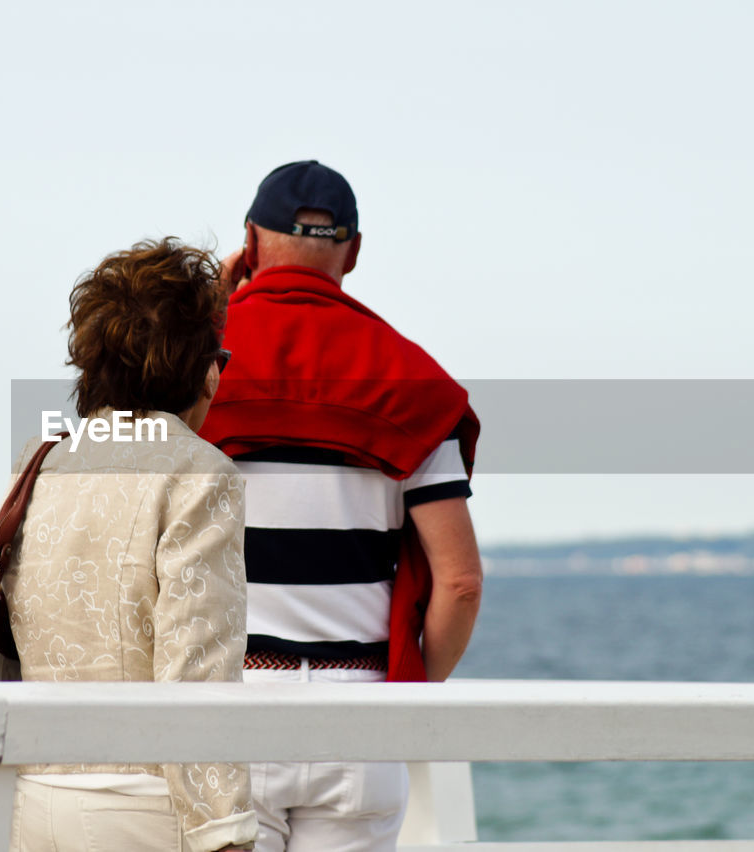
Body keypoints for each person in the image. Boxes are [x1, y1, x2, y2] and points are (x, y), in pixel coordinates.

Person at [197, 161, 483, 852]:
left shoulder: (194, 362)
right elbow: (461, 583)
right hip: (361, 713)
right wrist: (405, 689)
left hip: (226, 699)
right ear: (354, 252)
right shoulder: (414, 379)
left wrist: (212, 302)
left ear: (250, 243)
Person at [2, 238, 258, 852]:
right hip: (140, 808)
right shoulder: (199, 473)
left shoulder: (41, 462)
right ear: (198, 367)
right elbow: (197, 671)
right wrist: (224, 831)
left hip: (34, 800)